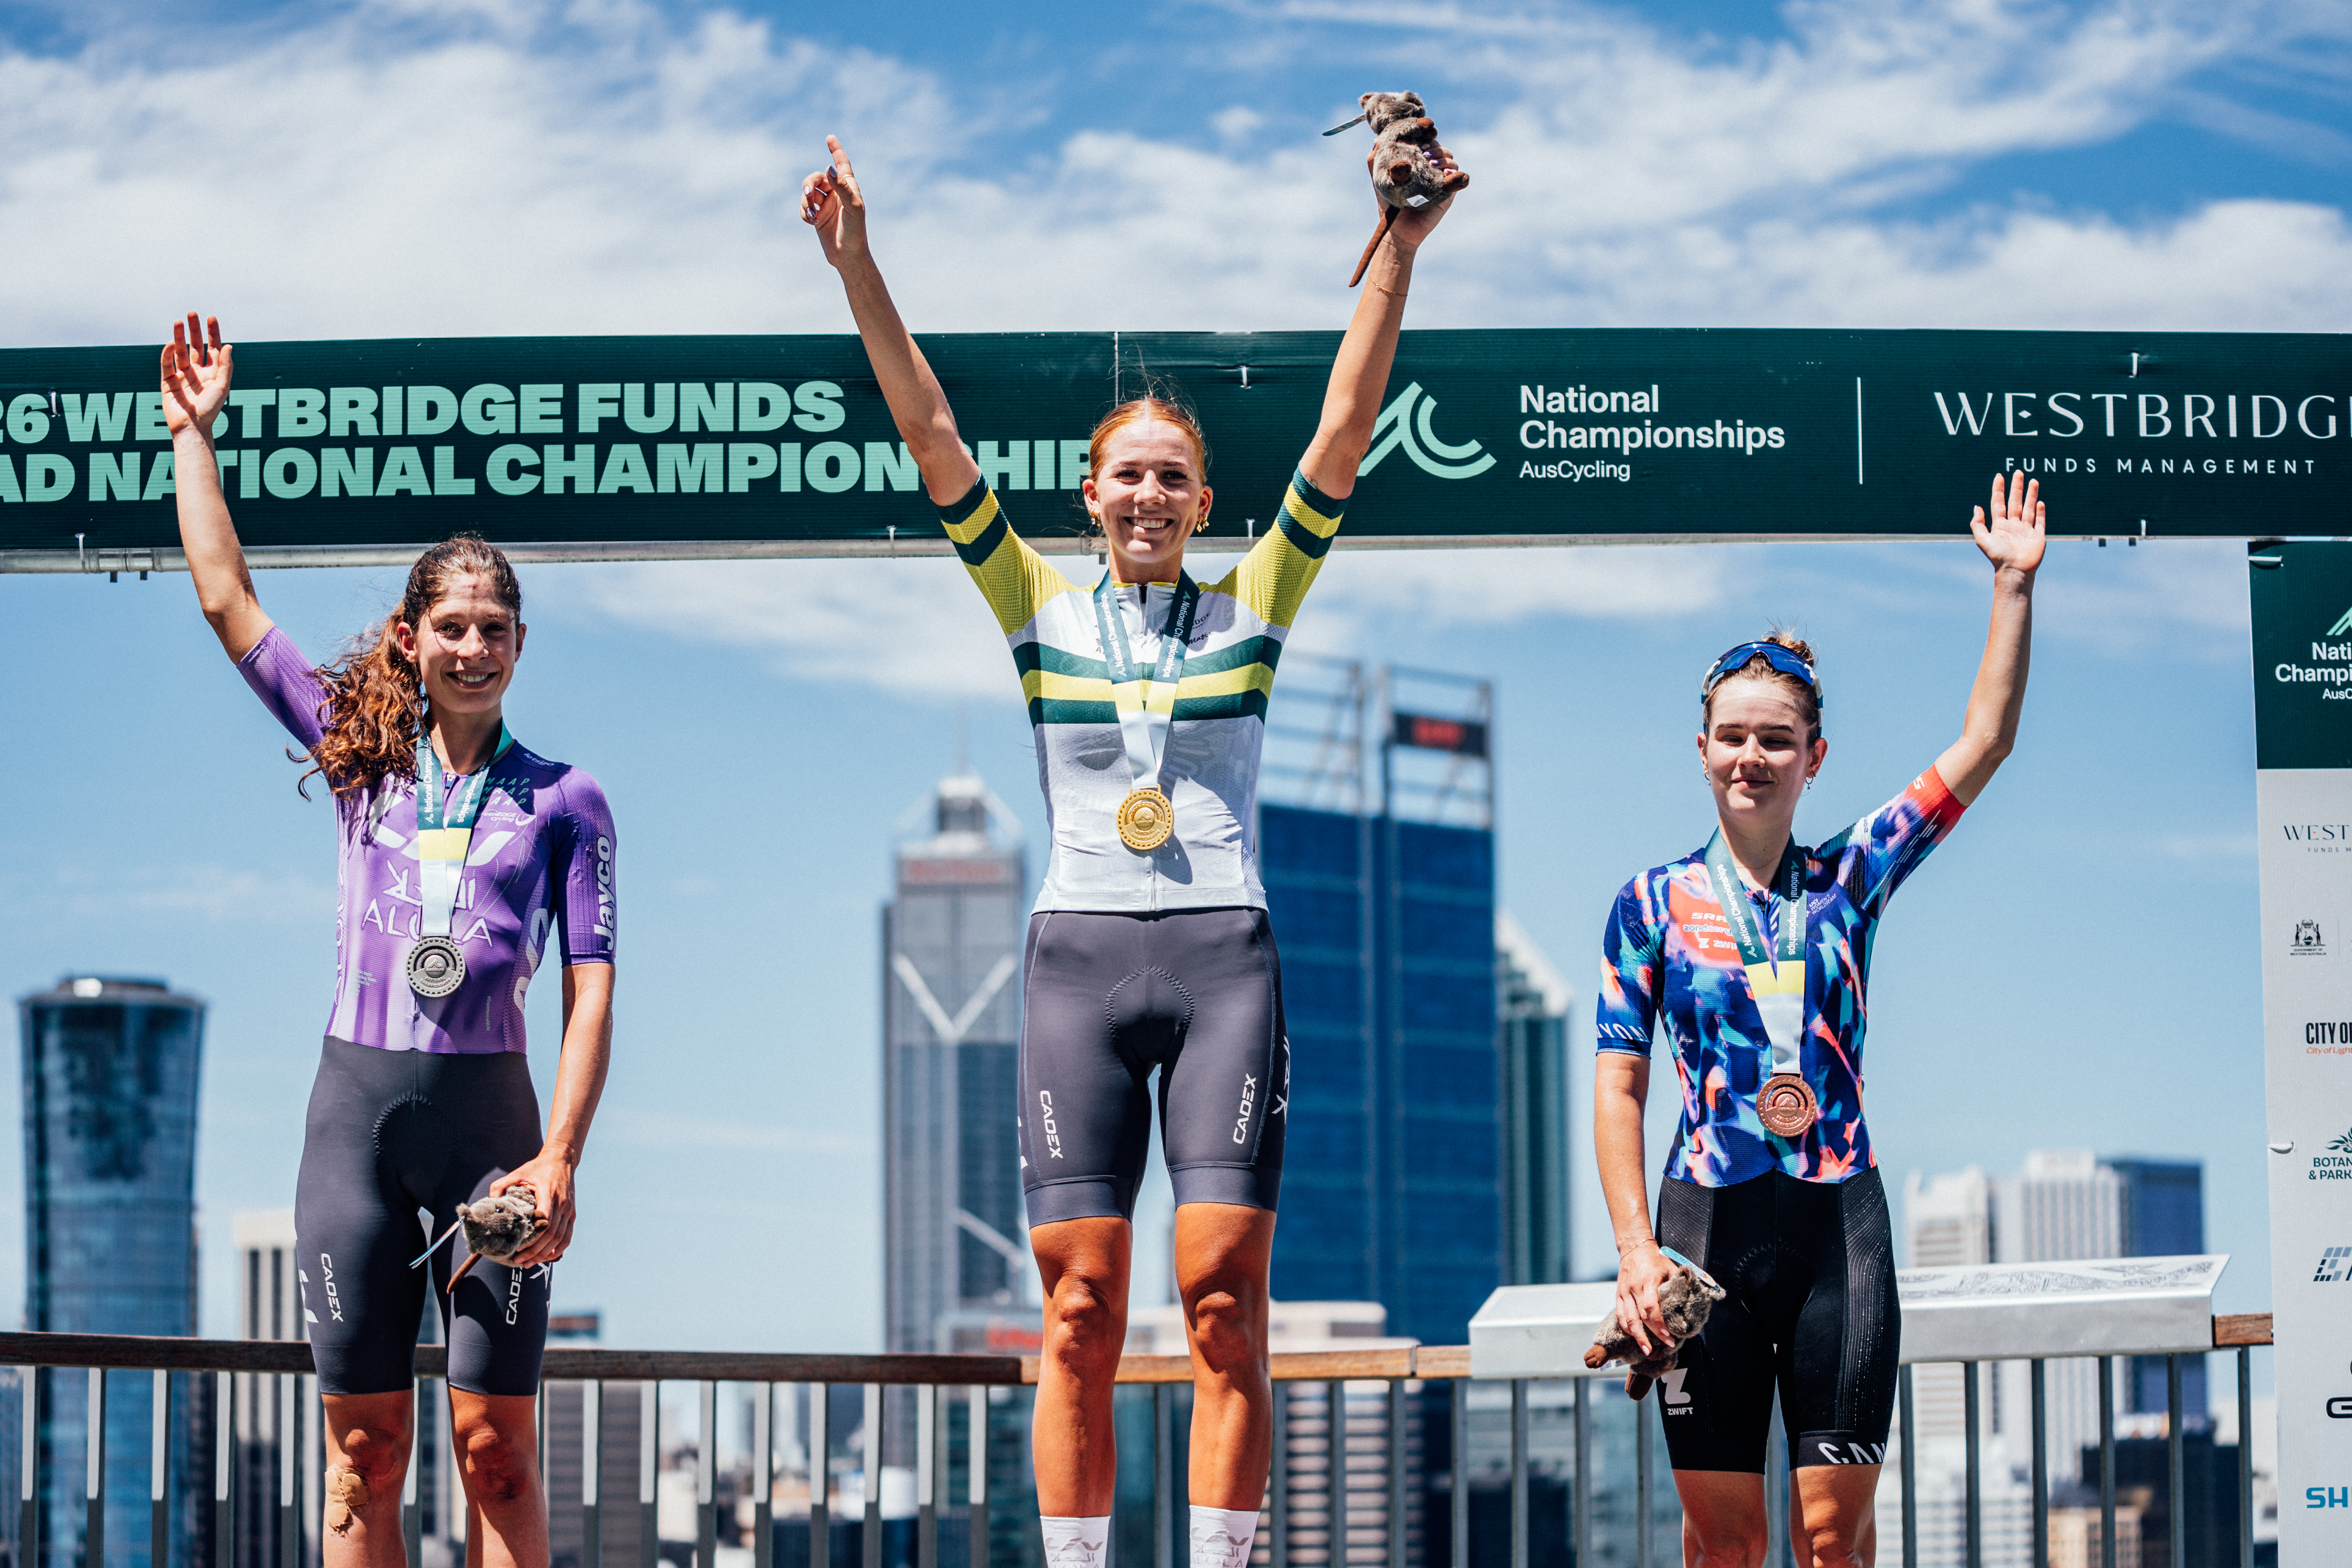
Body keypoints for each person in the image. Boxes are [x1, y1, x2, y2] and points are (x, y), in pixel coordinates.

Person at [801, 132, 1457, 1568]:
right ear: (1088, 499)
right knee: (1081, 1308)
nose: (1151, 497)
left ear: (1202, 506)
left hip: (1224, 957)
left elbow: (1344, 431)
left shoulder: (1256, 607)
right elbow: (930, 434)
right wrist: (858, 265)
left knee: (1224, 1298)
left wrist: (1398, 249)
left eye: (1174, 479)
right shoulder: (1034, 602)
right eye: (1127, 479)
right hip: (1077, 961)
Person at [162, 315, 617, 1568]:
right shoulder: (359, 758)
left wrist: (560, 1160)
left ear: (518, 648)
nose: (473, 647)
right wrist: (194, 439)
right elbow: (226, 600)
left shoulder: (567, 801)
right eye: (452, 626)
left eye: (496, 628)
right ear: (411, 639)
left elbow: (591, 998)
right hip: (352, 1127)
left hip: (497, 1139)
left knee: (496, 1454)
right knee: (363, 1460)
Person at [1593, 474, 2045, 1568]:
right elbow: (1619, 1083)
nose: (1752, 757)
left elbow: (1984, 744)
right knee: (1721, 1541)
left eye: (1776, 740)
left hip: (1840, 1224)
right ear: (1701, 748)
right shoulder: (1650, 904)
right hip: (1702, 1227)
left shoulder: (1851, 874)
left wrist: (2014, 589)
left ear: (1815, 758)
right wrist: (1636, 1254)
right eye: (1732, 737)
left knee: (1834, 1541)